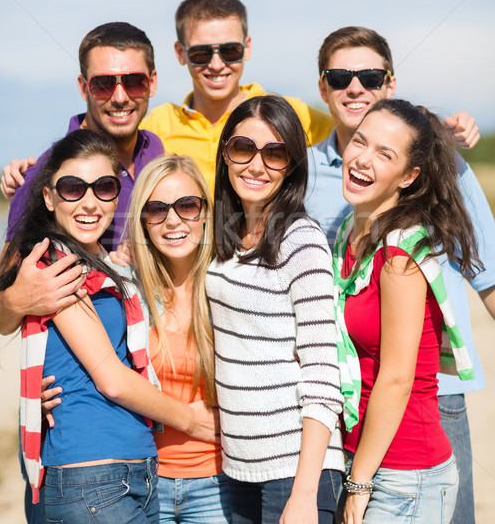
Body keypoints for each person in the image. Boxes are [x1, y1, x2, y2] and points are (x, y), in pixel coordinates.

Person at [304, 26, 495, 524]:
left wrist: (360, 483)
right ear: (322, 86)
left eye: (369, 75)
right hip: (356, 427)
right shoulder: (342, 213)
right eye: (341, 76)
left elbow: (488, 278)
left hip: (415, 430)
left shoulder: (406, 242)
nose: (355, 86)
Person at [0, 130, 217, 524]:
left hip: (127, 473)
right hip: (92, 477)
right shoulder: (56, 267)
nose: (89, 202)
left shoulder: (102, 266)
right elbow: (111, 377)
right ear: (48, 197)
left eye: (104, 187)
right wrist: (194, 420)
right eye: (73, 188)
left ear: (117, 196)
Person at [333, 99, 483, 523]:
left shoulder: (402, 249)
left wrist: (359, 483)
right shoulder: (351, 230)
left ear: (409, 175)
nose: (363, 159)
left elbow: (397, 378)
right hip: (364, 457)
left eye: (385, 154)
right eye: (360, 142)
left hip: (405, 476)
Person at [206, 94, 344, 524]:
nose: (256, 165)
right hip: (237, 467)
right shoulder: (221, 238)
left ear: (293, 165)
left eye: (275, 153)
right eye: (243, 148)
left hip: (296, 470)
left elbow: (323, 373)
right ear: (225, 153)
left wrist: (304, 493)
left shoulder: (301, 242)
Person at [0, 21, 164, 340]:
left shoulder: (156, 149)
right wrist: (18, 300)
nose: (120, 97)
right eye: (104, 84)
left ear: (152, 83)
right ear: (84, 87)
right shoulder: (47, 172)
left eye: (134, 81)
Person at [140, 0, 335, 192]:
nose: (216, 64)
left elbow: (356, 139)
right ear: (180, 53)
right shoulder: (156, 127)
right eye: (201, 53)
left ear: (247, 47)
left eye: (230, 50)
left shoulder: (294, 115)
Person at [126, 154, 232, 523]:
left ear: (205, 211)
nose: (173, 220)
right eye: (157, 209)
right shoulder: (127, 294)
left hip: (218, 484)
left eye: (187, 205)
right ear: (143, 221)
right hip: (141, 484)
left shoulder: (230, 286)